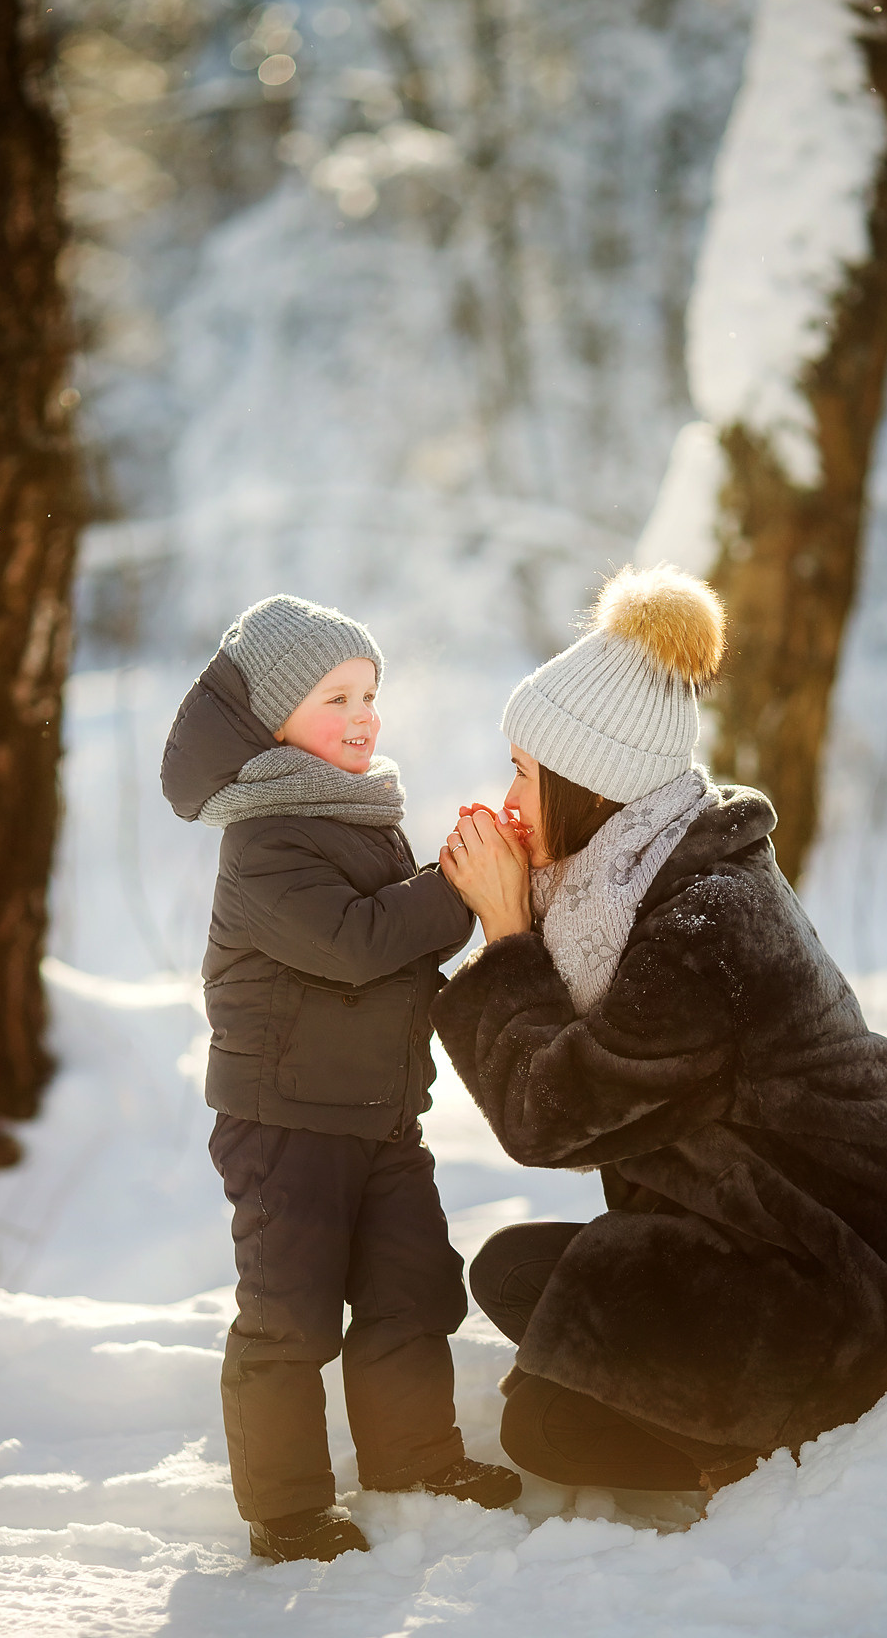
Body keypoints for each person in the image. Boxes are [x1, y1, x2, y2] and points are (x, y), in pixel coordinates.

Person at [432, 564, 887, 1495]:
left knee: (548, 1428)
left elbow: (551, 1118)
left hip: (861, 1269)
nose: (510, 800)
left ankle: (777, 1462)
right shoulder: (635, 879)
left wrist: (508, 935)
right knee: (516, 1276)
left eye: (524, 774)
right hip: (761, 1232)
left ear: (590, 785)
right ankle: (732, 1402)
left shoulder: (704, 926)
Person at [161, 594, 520, 1563]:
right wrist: (459, 884)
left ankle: (414, 1456)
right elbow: (358, 944)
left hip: (380, 1118)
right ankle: (285, 1511)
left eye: (371, 693)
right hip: (285, 1126)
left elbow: (398, 962)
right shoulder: (266, 840)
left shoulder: (361, 818)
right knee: (291, 1312)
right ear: (274, 719)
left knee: (411, 1289)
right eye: (336, 696)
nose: (364, 714)